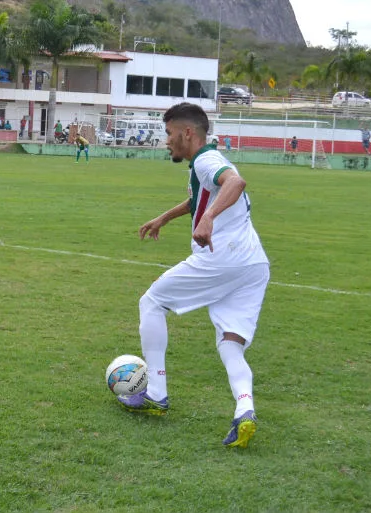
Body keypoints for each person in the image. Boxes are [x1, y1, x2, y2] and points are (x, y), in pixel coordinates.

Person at [118, 102, 269, 449]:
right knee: (231, 344)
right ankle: (244, 411)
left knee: (151, 302)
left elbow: (235, 183)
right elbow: (199, 199)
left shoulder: (205, 160)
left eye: (169, 133)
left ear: (188, 133)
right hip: (253, 265)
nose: (166, 141)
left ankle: (156, 393)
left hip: (222, 258)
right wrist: (164, 218)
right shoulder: (206, 163)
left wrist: (209, 218)